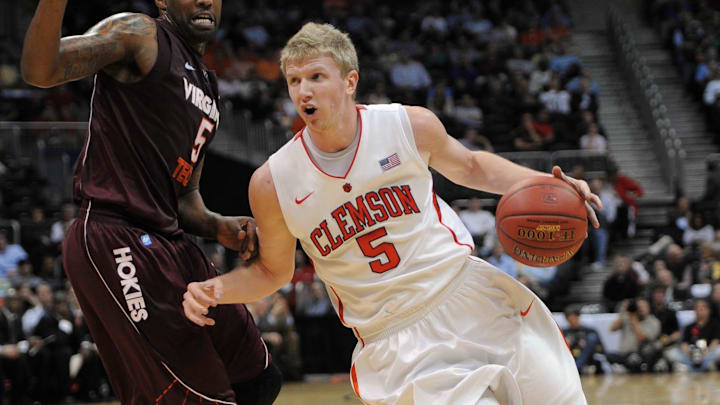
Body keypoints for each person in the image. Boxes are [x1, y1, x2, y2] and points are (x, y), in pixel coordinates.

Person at [184, 22, 601, 405]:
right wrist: (215, 290)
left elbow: (472, 166)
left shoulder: (407, 125)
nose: (303, 91)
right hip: (398, 343)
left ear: (350, 81)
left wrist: (550, 185)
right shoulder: (273, 182)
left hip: (469, 294)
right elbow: (273, 272)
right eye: (294, 81)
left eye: (315, 77)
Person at [20, 1, 281, 404]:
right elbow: (42, 70)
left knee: (259, 378)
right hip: (115, 234)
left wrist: (217, 225)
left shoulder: (208, 89)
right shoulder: (139, 35)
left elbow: (186, 196)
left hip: (171, 241)